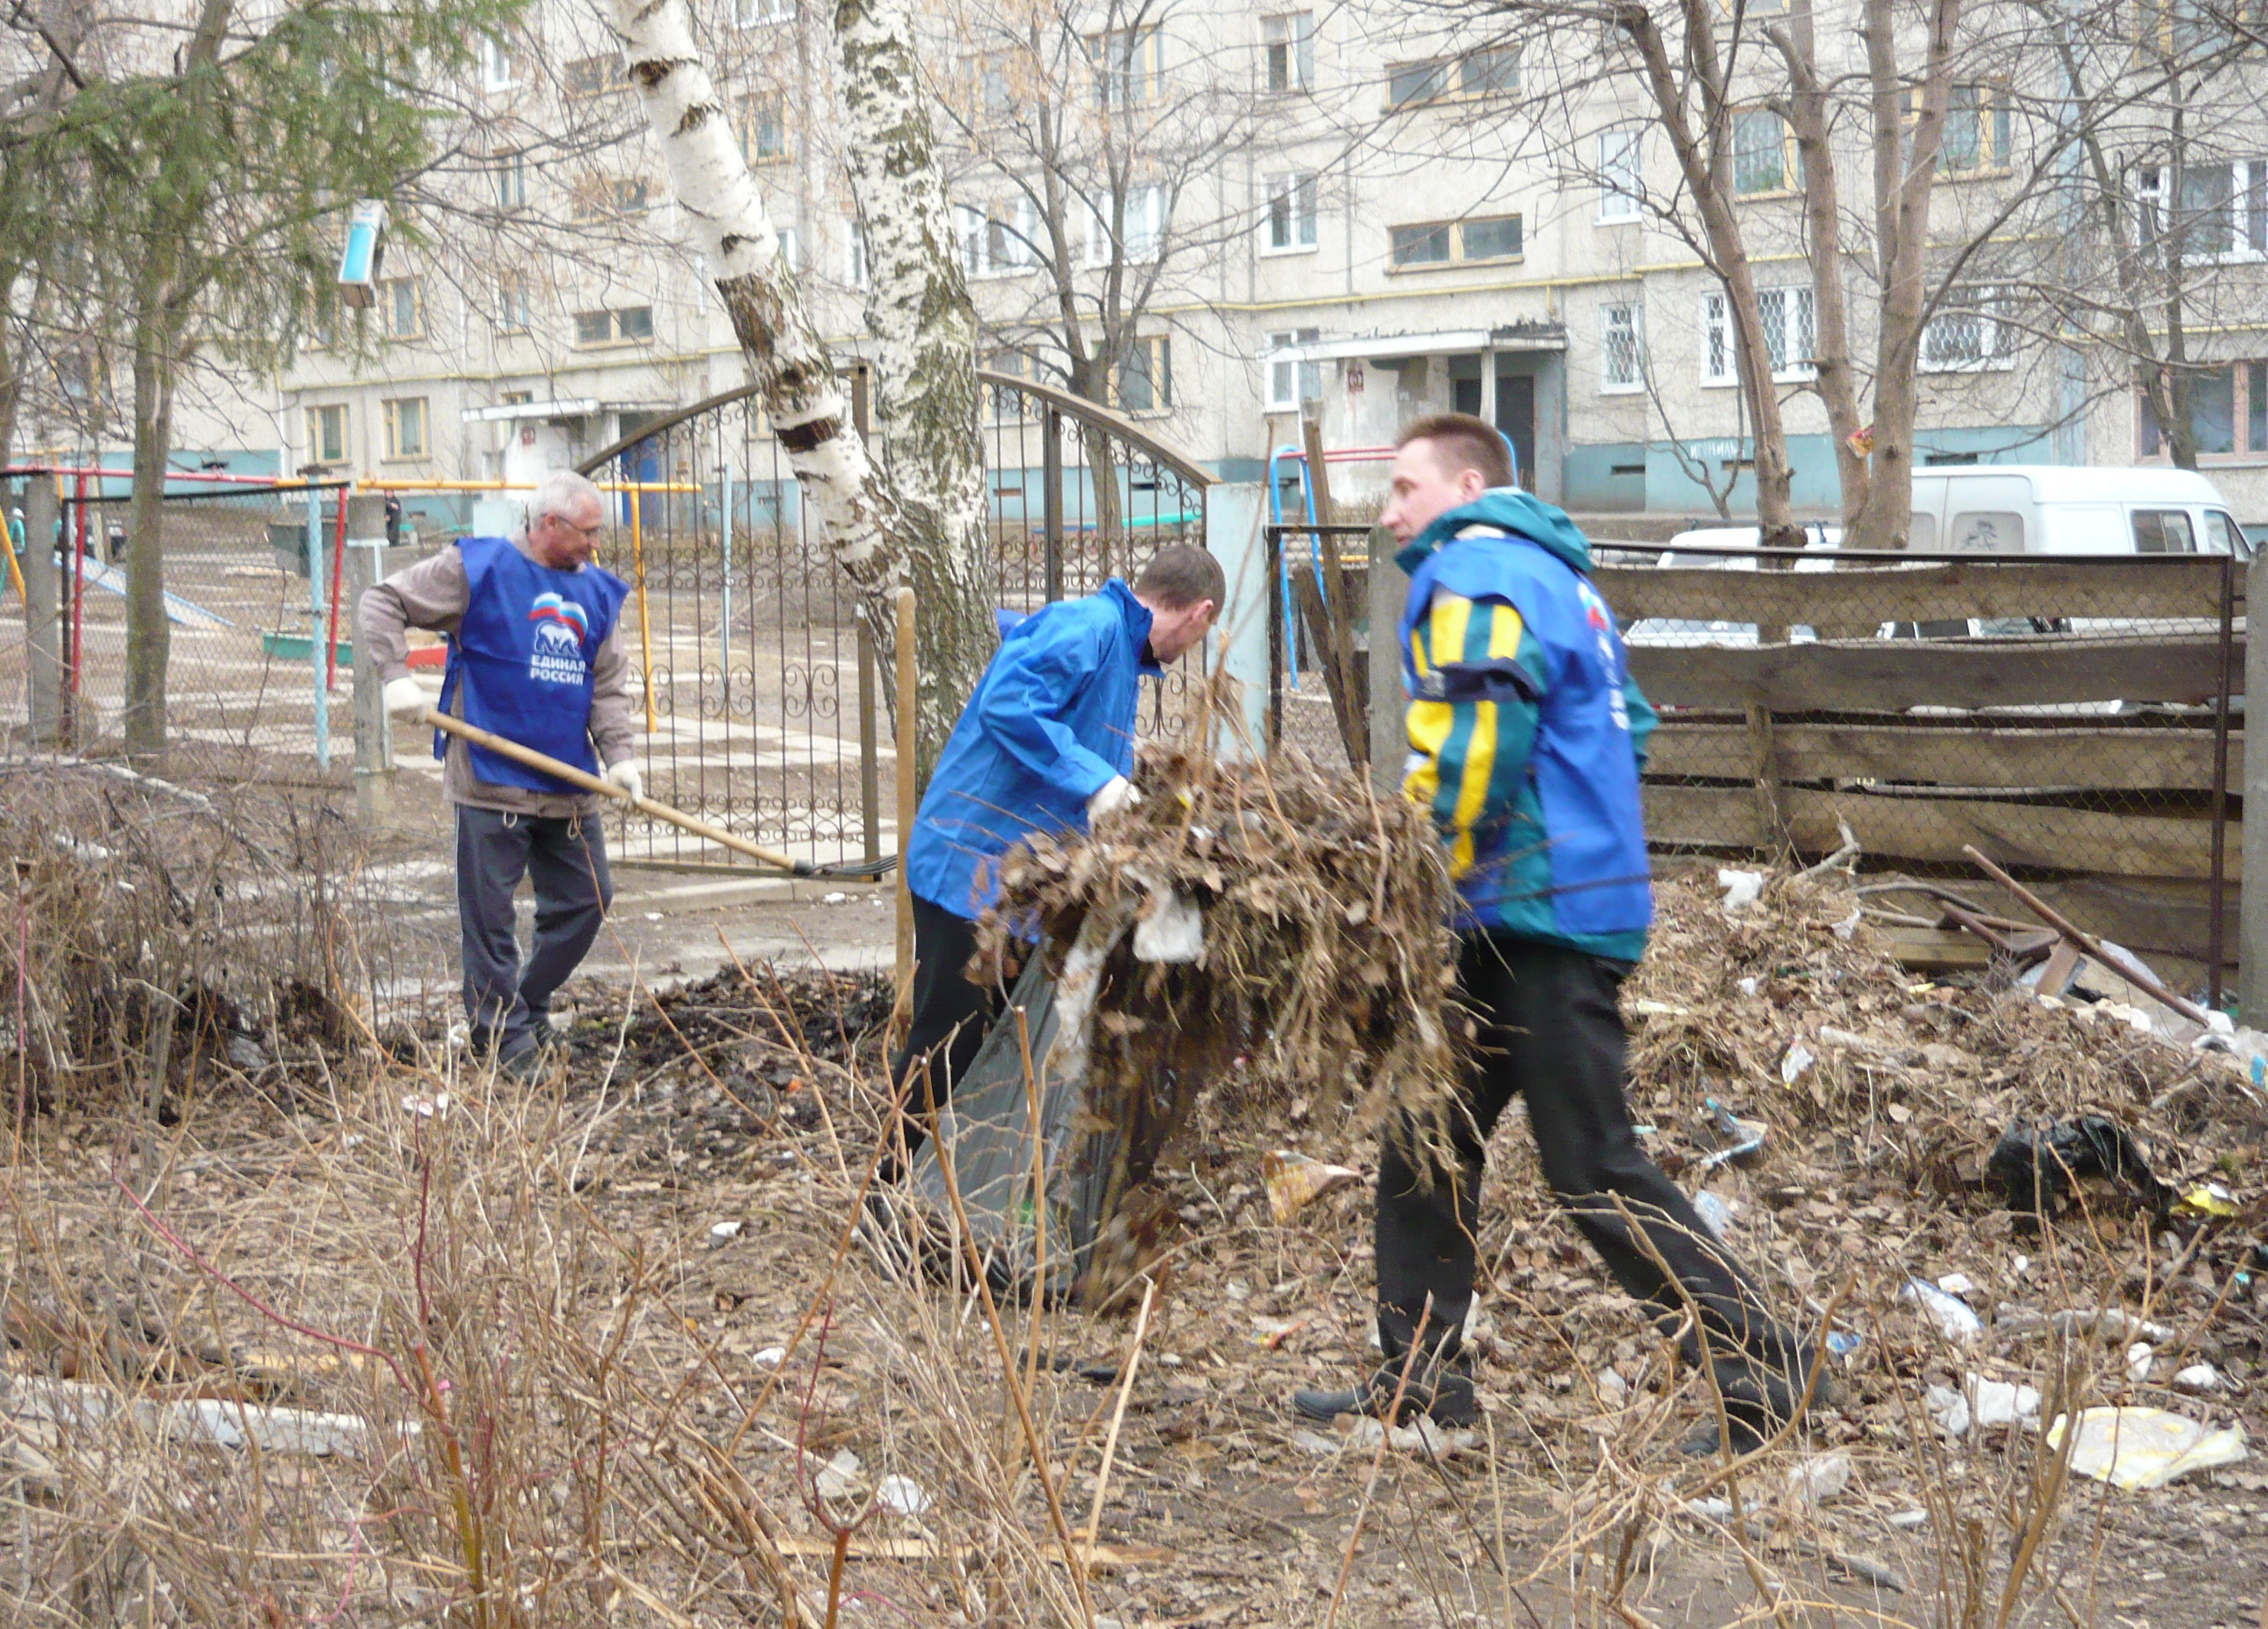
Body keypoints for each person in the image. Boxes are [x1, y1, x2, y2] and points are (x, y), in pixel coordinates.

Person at [1291, 414, 1819, 1455]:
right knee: (1424, 1139)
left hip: (1532, 911)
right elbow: (1629, 722)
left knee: (1593, 1164)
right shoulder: (1562, 581)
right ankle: (1420, 1381)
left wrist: (1415, 863)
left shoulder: (1476, 568)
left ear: (1469, 482)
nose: (1389, 509)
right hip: (1542, 904)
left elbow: (1481, 730)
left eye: (1404, 486)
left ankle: (1765, 1368)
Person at [887, 545, 1224, 1166]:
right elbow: (1009, 704)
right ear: (1200, 613)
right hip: (967, 870)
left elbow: (1073, 737)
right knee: (949, 1041)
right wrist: (1096, 780)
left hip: (1007, 883)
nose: (1192, 650)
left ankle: (956, 1191)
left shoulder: (1116, 649)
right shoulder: (1089, 626)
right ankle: (892, 1190)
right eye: (1203, 635)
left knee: (986, 1044)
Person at [357, 470, 640, 1079]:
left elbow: (609, 683)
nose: (596, 546)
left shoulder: (596, 594)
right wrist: (396, 677)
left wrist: (619, 756)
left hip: (569, 783)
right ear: (548, 525)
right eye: (587, 533)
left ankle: (527, 1004)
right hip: (490, 781)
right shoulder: (476, 570)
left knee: (588, 900)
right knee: (489, 922)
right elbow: (381, 601)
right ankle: (503, 1043)